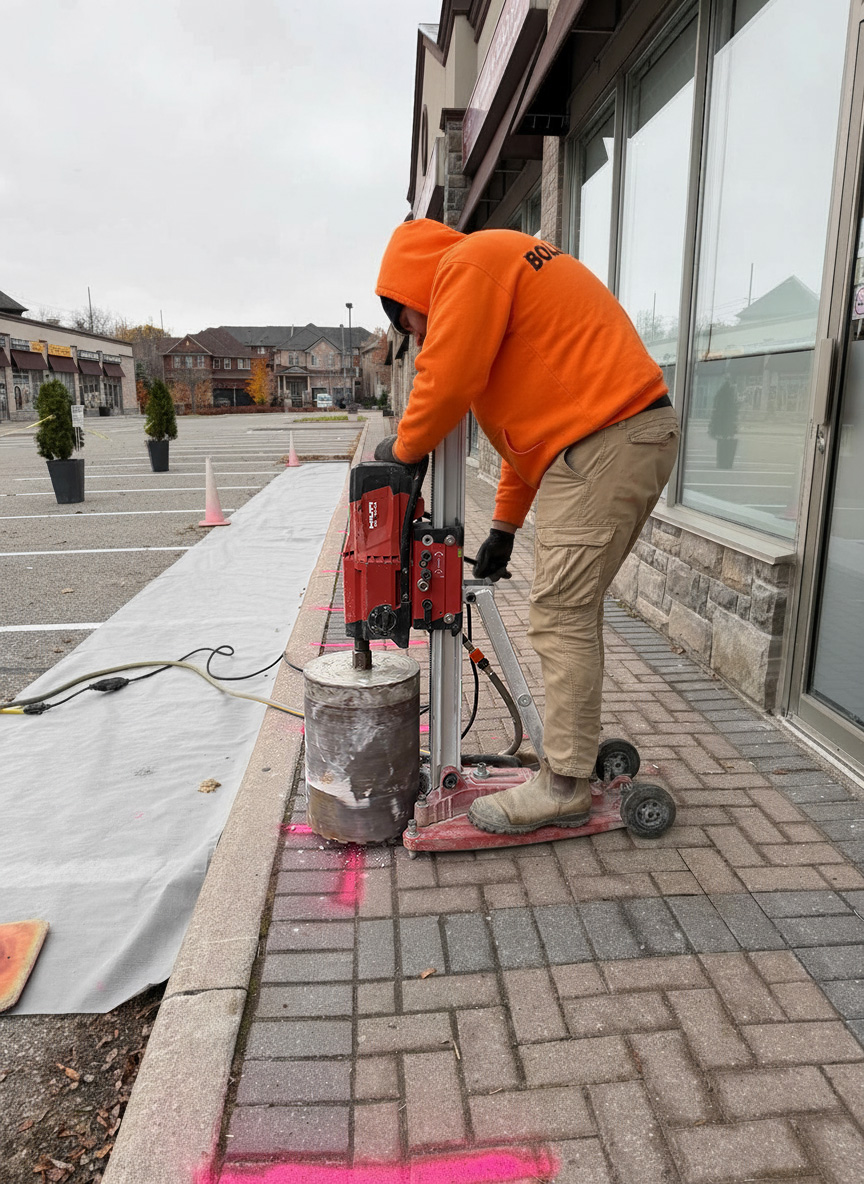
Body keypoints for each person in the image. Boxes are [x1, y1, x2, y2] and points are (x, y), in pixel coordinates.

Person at [374, 218, 679, 835]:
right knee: (573, 609)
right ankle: (570, 752)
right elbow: (530, 442)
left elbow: (447, 376)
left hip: (609, 439)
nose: (422, 334)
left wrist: (405, 453)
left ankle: (563, 786)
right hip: (611, 437)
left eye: (412, 321)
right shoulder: (499, 267)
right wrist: (504, 527)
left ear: (414, 286)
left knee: (561, 612)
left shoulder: (468, 265)